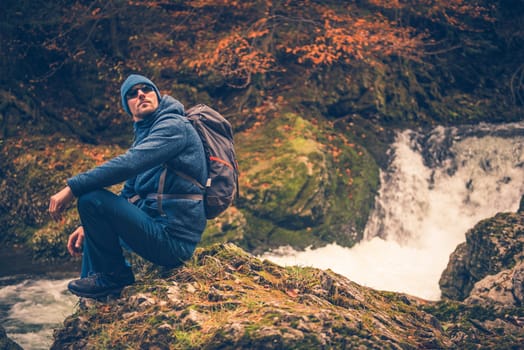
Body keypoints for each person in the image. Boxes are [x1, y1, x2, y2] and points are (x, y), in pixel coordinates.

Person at [48, 74, 207, 299]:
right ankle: (95, 299)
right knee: (92, 234)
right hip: (156, 229)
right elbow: (129, 193)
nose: (141, 94)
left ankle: (114, 279)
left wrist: (73, 188)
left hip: (173, 241)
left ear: (158, 97)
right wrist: (90, 227)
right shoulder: (145, 136)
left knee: (90, 198)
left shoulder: (174, 127)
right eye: (132, 93)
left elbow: (129, 164)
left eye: (146, 89)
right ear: (128, 107)